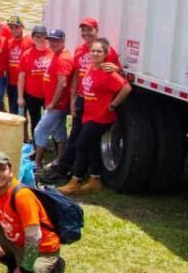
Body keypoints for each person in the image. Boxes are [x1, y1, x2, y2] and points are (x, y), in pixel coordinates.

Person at [47, 17, 122, 180]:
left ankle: (70, 169)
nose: (86, 33)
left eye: (90, 30)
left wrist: (113, 103)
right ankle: (70, 168)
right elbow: (75, 75)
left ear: (96, 31)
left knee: (82, 138)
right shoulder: (80, 50)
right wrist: (73, 99)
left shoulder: (106, 50)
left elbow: (119, 76)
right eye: (83, 30)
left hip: (97, 102)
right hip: (82, 98)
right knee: (76, 134)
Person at [58, 38, 131, 195]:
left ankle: (76, 181)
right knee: (92, 147)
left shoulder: (108, 72)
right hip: (89, 115)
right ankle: (95, 180)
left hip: (101, 117)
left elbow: (126, 88)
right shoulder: (91, 67)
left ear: (105, 54)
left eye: (99, 51)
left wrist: (113, 105)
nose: (95, 53)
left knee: (80, 145)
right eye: (93, 50)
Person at [33, 30, 75, 168]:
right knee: (59, 131)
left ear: (63, 41)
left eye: (56, 41)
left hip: (57, 105)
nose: (52, 43)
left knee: (40, 131)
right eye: (51, 40)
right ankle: (61, 160)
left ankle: (37, 163)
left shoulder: (63, 58)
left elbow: (62, 83)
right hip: (56, 104)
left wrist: (53, 103)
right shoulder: (57, 55)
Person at [17, 25, 51, 141]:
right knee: (35, 120)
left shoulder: (53, 52)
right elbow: (21, 77)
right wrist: (20, 97)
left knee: (51, 121)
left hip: (50, 96)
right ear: (33, 38)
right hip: (32, 95)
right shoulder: (27, 54)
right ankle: (37, 145)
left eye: (44, 36)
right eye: (38, 36)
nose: (41, 39)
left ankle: (52, 145)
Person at [4, 16, 30, 117]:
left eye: (16, 27)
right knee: (14, 112)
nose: (14, 30)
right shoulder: (9, 42)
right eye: (11, 28)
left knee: (22, 113)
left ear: (22, 27)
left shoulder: (29, 41)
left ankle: (24, 132)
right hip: (11, 83)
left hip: (25, 84)